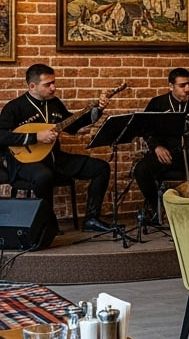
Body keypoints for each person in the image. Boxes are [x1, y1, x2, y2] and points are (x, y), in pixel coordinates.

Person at [0, 63, 116, 233]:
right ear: (32, 86)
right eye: (48, 84)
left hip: (55, 158)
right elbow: (2, 136)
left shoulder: (54, 103)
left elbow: (72, 125)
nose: (53, 88)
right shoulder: (14, 107)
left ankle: (91, 219)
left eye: (53, 82)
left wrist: (97, 110)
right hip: (24, 163)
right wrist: (35, 137)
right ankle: (48, 224)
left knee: (101, 168)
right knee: (43, 176)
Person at [134, 68, 189, 219]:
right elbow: (144, 129)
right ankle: (159, 211)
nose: (187, 89)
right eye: (182, 85)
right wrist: (156, 146)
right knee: (141, 170)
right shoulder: (157, 104)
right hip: (165, 153)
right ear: (171, 86)